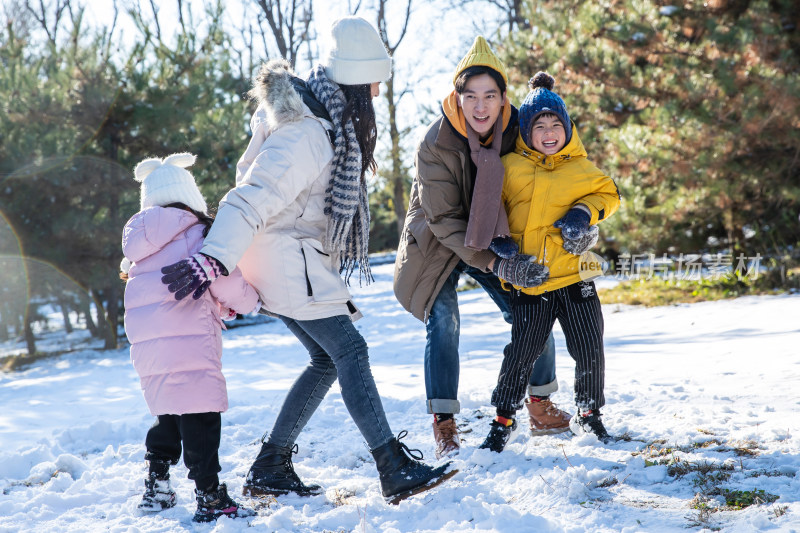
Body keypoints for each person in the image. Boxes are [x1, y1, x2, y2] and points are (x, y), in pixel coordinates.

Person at [159, 17, 453, 504]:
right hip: (284, 260)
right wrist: (213, 257)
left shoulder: (315, 121)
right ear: (358, 82)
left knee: (326, 358)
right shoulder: (309, 134)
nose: (379, 91)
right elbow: (248, 195)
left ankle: (271, 464)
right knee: (350, 351)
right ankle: (391, 466)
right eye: (375, 81)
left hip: (283, 257)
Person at [394, 37, 590, 459]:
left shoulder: (519, 129)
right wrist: (499, 266)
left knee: (532, 304)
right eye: (471, 96)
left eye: (490, 96)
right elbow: (444, 220)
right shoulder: (435, 144)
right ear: (457, 97)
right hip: (438, 241)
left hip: (499, 235)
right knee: (444, 319)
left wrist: (583, 220)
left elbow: (556, 177)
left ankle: (538, 404)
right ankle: (444, 421)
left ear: (503, 99)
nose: (480, 107)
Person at [479, 72, 621, 452]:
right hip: (531, 279)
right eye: (538, 125)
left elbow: (610, 194)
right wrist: (499, 238)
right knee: (522, 352)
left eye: (555, 123)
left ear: (567, 127)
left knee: (590, 345)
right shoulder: (509, 167)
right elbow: (488, 205)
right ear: (525, 131)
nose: (547, 132)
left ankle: (590, 416)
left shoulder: (581, 166)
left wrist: (584, 212)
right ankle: (502, 421)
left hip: (574, 277)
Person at [121, 153, 260, 522]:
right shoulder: (199, 233)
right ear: (190, 196)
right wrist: (252, 302)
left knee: (169, 411)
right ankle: (210, 494)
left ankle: (158, 483)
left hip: (150, 348)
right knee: (200, 414)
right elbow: (224, 279)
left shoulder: (139, 247)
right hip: (190, 342)